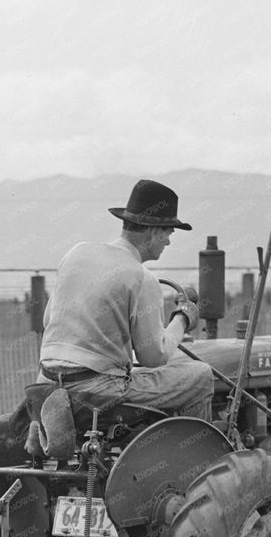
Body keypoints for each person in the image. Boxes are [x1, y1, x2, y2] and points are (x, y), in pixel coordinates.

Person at [35, 179, 214, 443]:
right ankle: (196, 459)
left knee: (136, 374)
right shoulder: (140, 276)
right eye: (168, 233)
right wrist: (183, 317)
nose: (168, 242)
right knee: (201, 375)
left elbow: (49, 319)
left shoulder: (77, 253)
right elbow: (155, 356)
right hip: (96, 389)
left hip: (47, 379)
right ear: (152, 231)